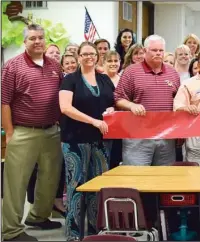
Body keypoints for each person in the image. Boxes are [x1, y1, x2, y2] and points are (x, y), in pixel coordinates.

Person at [2, 24, 63, 241]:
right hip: (23, 131)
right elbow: (4, 102)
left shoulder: (55, 65)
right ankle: (10, 231)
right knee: (16, 182)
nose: (37, 42)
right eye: (32, 38)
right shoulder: (13, 66)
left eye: (40, 38)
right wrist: (9, 132)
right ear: (25, 42)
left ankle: (38, 217)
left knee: (50, 178)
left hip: (52, 131)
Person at [58, 41, 115, 240]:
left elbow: (112, 102)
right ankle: (74, 235)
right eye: (85, 54)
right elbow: (65, 108)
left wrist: (111, 111)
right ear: (78, 56)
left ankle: (95, 232)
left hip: (100, 141)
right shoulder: (70, 80)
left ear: (97, 56)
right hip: (75, 140)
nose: (89, 57)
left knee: (98, 188)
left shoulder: (105, 79)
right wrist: (93, 121)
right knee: (76, 187)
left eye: (92, 54)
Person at [114, 35, 180, 166]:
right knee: (137, 178)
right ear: (144, 51)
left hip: (166, 137)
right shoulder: (131, 71)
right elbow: (118, 98)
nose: (158, 53)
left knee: (164, 178)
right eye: (154, 50)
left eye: (161, 50)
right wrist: (131, 105)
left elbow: (178, 103)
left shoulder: (173, 73)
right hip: (138, 137)